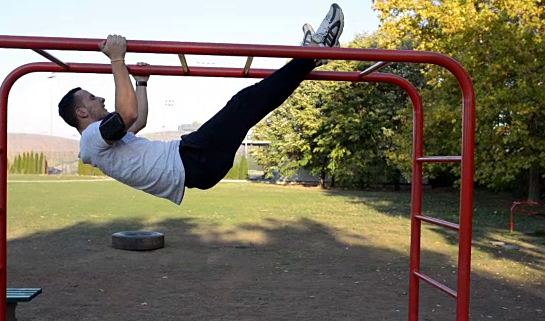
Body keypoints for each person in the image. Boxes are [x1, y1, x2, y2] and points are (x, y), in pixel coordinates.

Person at [58, 3, 344, 205]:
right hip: (191, 160)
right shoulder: (93, 139)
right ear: (81, 112)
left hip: (193, 160)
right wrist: (117, 59)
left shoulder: (103, 142)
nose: (101, 99)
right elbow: (128, 113)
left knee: (247, 106)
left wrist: (141, 83)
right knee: (244, 104)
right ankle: (312, 54)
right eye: (93, 99)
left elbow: (137, 120)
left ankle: (309, 57)